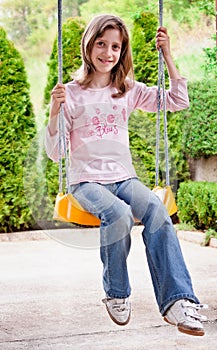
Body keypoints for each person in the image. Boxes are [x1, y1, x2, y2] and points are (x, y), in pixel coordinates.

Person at [45, 14, 207, 336]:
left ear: (123, 51)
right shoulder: (72, 93)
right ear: (88, 45)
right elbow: (57, 153)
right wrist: (54, 111)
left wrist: (168, 56)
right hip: (86, 182)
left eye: (115, 46)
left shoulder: (127, 90)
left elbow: (177, 100)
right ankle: (117, 292)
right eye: (101, 44)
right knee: (118, 214)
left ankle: (178, 302)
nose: (107, 52)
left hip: (124, 178)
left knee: (158, 212)